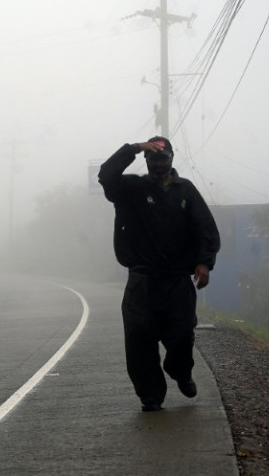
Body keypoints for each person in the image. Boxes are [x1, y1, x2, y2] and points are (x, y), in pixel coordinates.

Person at [98, 136, 220, 412]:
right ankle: (150, 395)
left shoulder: (185, 190)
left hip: (177, 280)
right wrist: (134, 147)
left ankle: (181, 371)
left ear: (172, 159)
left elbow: (205, 228)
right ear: (146, 160)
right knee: (139, 337)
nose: (158, 163)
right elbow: (106, 175)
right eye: (153, 158)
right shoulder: (131, 189)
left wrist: (204, 263)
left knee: (180, 335)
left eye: (163, 158)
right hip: (142, 280)